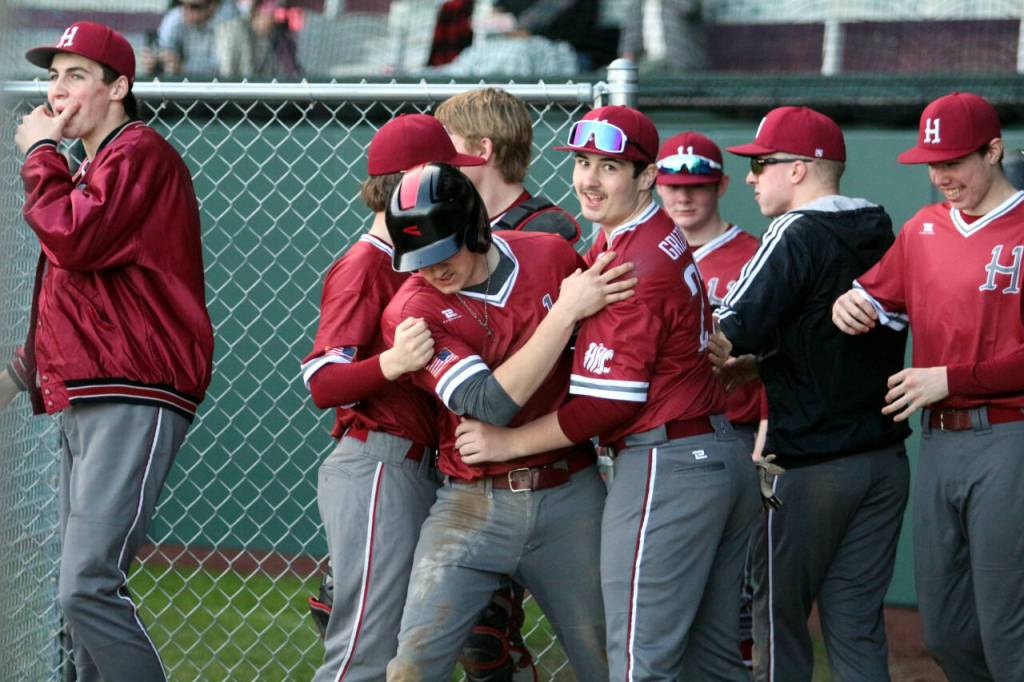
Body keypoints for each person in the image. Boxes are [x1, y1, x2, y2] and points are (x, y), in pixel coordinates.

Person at [454, 105, 760, 680]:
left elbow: (607, 403)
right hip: (712, 453)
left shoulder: (631, 260)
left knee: (639, 663)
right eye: (583, 162)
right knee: (714, 661)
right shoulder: (647, 235)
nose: (589, 179)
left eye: (611, 166)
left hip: (668, 466)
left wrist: (506, 443)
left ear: (647, 177)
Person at [5, 21, 214, 682]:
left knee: (86, 585)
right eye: (51, 76)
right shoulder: (98, 165)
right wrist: (17, 374)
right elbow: (79, 300)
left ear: (119, 86)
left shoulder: (138, 151)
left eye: (75, 75)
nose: (56, 91)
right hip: (93, 387)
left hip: (134, 388)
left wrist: (41, 155)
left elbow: (74, 239)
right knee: (77, 597)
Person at [381, 162, 635, 682]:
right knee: (412, 666)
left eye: (441, 252)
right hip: (472, 503)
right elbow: (487, 404)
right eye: (418, 260)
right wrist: (563, 313)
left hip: (570, 490)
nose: (431, 270)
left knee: (611, 660)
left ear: (473, 228)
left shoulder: (548, 255)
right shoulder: (411, 310)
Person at [709, 105, 910, 682]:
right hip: (882, 464)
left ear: (799, 169)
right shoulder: (878, 224)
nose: (750, 177)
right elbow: (820, 332)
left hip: (811, 467)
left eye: (762, 164)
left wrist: (732, 357)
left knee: (777, 621)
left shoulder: (794, 230)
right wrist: (768, 361)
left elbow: (725, 331)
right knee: (856, 625)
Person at [832, 92, 1024, 682]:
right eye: (933, 163)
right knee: (944, 630)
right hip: (939, 442)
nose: (942, 175)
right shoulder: (924, 227)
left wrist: (951, 378)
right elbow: (874, 294)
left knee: (1007, 629)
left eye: (955, 160)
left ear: (993, 151)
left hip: (1010, 436)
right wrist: (849, 301)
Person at [301, 113, 489, 682]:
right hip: (379, 463)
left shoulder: (423, 261)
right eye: (446, 174)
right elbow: (322, 381)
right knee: (364, 652)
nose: (461, 186)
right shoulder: (366, 264)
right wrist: (392, 363)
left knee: (396, 649)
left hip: (408, 464)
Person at [654, 130, 766, 669]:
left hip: (737, 436)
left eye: (696, 185)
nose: (683, 197)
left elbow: (775, 360)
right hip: (658, 438)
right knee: (663, 591)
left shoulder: (753, 255)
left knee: (736, 590)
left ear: (720, 185)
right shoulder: (633, 250)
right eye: (672, 185)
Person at [435, 86, 580, 243]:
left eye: (447, 141)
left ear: (483, 149)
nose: (437, 154)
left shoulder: (542, 232)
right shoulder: (448, 221)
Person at [145, 0, 240, 76]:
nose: (186, 11)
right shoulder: (175, 18)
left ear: (213, 6)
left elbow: (223, 70)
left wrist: (182, 68)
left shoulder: (229, 23)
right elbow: (164, 50)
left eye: (194, 7)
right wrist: (157, 62)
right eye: (182, 4)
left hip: (219, 93)